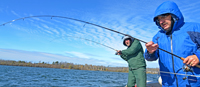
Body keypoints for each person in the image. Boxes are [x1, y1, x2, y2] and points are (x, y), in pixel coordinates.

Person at [144, 1, 200, 87]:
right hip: (168, 84)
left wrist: (198, 56)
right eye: (159, 19)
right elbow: (150, 58)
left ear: (174, 15)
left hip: (194, 84)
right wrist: (150, 52)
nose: (161, 21)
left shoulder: (195, 28)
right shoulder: (157, 36)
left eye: (164, 16)